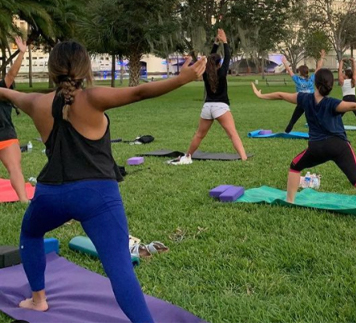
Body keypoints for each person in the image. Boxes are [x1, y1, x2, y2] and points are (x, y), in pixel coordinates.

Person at [0, 40, 206, 321]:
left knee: (31, 233)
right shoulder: (93, 98)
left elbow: (7, 94)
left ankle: (39, 301)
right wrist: (183, 78)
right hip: (97, 196)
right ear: (85, 71)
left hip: (51, 194)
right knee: (119, 268)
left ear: (51, 71)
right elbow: (140, 92)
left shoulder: (36, 101)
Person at [250, 69, 356, 215]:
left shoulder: (304, 99)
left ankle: (290, 201)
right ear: (330, 86)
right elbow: (354, 106)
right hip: (339, 146)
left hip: (317, 148)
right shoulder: (333, 103)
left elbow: (280, 95)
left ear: (315, 84)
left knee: (295, 166)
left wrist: (260, 95)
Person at [170, 29, 247, 165]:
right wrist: (225, 42)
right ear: (219, 64)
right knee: (233, 134)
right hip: (220, 107)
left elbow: (212, 56)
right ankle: (244, 158)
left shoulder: (205, 73)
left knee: (199, 135)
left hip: (207, 107)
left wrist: (216, 43)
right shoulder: (222, 72)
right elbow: (228, 57)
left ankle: (187, 156)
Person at [0, 36, 29, 202]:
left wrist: (21, 53)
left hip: (5, 136)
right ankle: (24, 201)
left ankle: (24, 200)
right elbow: (11, 75)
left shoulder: (2, 88)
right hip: (6, 135)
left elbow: (11, 74)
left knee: (15, 168)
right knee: (15, 168)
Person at [281, 50, 326, 134]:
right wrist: (322, 57)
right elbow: (318, 68)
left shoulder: (297, 79)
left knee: (294, 118)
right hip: (311, 101)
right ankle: (316, 132)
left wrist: (284, 62)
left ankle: (287, 131)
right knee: (312, 118)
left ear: (299, 72)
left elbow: (289, 70)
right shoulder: (311, 78)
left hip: (301, 101)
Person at [338, 56, 356, 130]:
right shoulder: (353, 81)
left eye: (344, 73)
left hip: (345, 99)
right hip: (353, 98)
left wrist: (341, 62)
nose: (343, 74)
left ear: (346, 75)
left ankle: (331, 125)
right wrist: (353, 61)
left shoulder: (342, 81)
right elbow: (355, 71)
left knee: (338, 115)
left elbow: (339, 71)